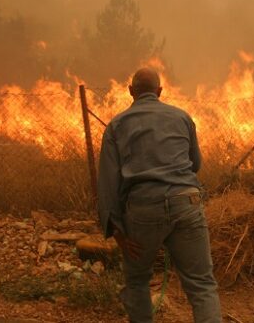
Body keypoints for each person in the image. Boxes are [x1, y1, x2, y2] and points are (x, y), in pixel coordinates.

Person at [97, 68, 222, 323]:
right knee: (201, 285)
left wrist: (117, 230)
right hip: (186, 202)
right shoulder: (182, 118)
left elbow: (108, 183)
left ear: (131, 91)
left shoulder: (116, 125)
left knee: (137, 280)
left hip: (143, 210)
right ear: (160, 91)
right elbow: (194, 164)